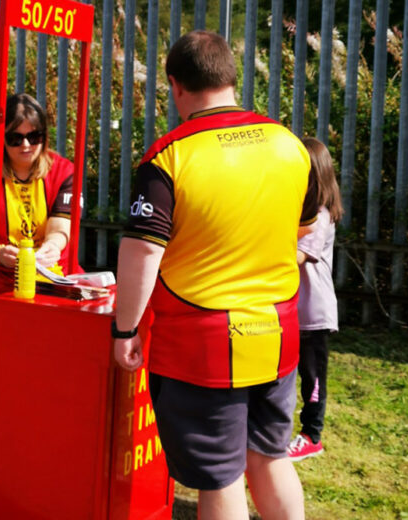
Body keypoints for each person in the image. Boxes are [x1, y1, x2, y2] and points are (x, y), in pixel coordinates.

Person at [112, 31, 318, 520]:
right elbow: (304, 226)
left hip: (200, 345)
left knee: (219, 478)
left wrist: (124, 328)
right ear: (230, 77)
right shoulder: (288, 144)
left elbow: (142, 251)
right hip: (278, 331)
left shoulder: (169, 156)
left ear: (174, 85)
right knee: (269, 457)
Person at [0, 93, 78, 354]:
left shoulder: (64, 171)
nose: (25, 145)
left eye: (33, 137)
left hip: (54, 283)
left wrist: (52, 246)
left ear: (45, 136)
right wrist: (0, 254)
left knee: (53, 361)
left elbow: (62, 225)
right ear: (1, 140)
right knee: (2, 363)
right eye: (15, 139)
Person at [287, 137, 344, 462]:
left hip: (313, 313)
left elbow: (297, 256)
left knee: (313, 377)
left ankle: (312, 435)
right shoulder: (301, 211)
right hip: (293, 311)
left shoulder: (320, 216)